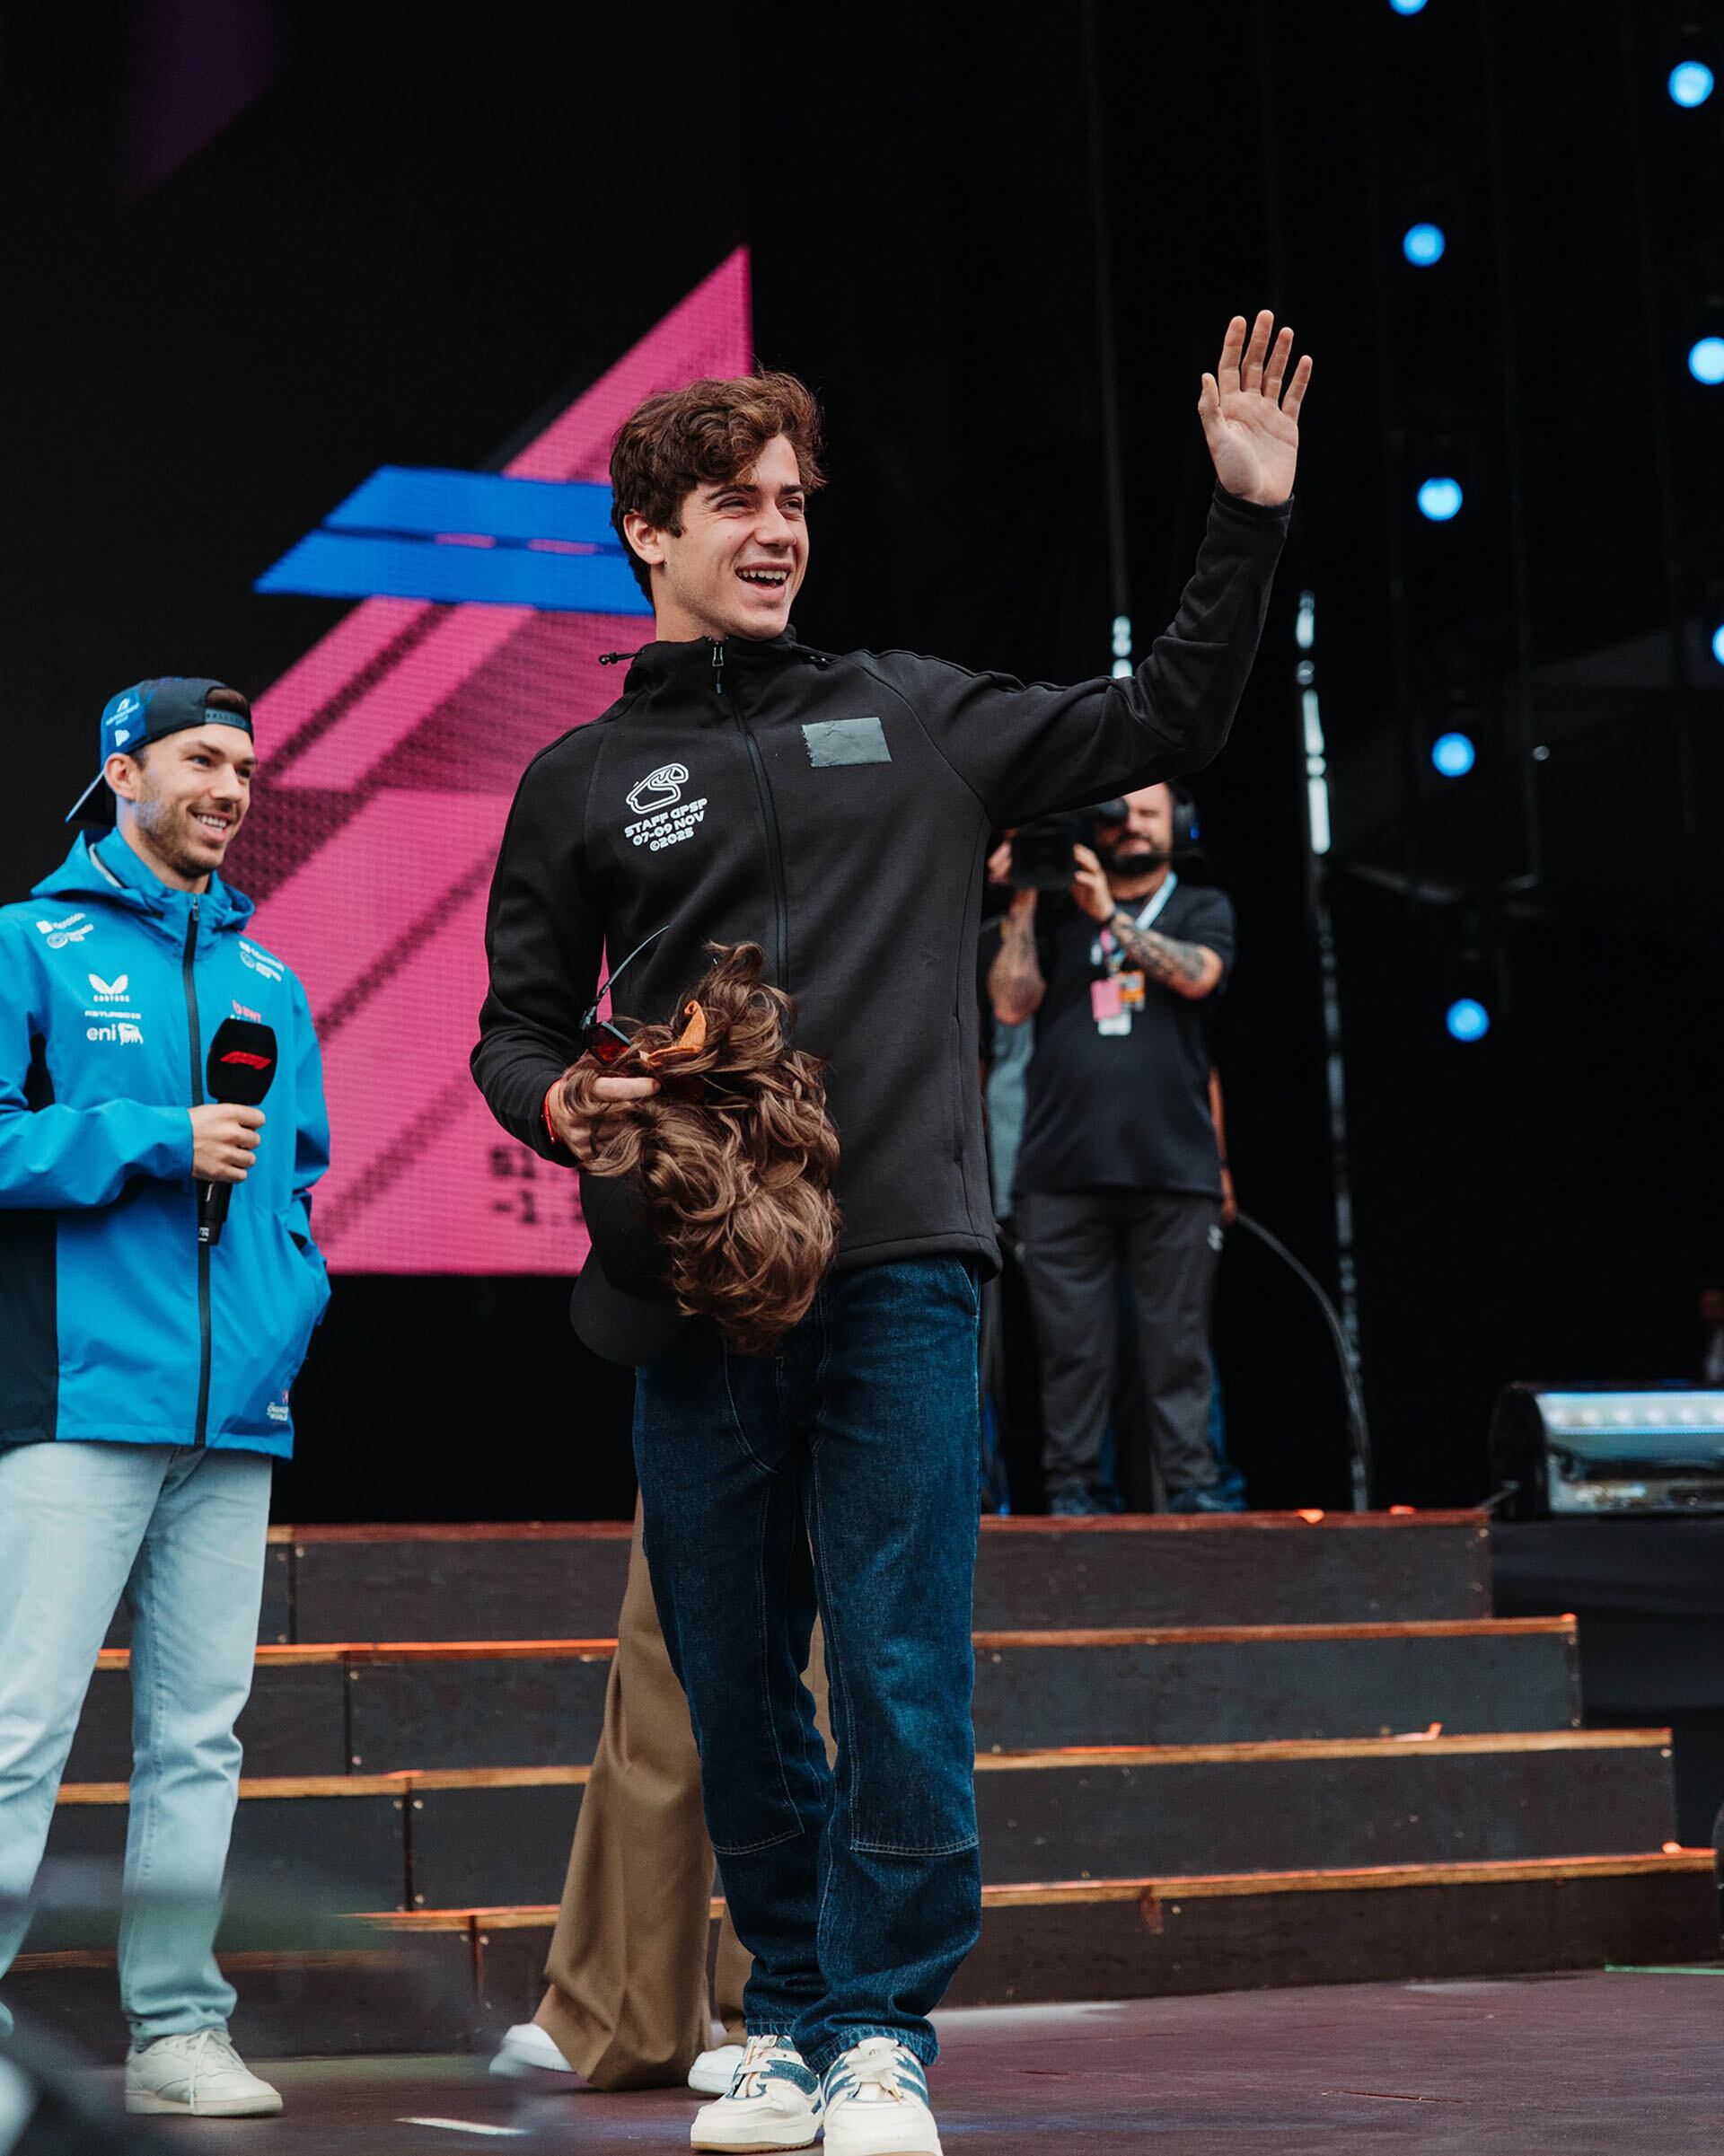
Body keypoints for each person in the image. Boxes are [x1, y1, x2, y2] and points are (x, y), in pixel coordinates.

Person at [473, 312, 1310, 2154]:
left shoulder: (923, 713)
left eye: (791, 501)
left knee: (903, 1660)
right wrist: (560, 1104)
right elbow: (517, 1025)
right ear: (646, 531)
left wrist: (1243, 522)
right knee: (730, 1667)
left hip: (909, 1267)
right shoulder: (580, 781)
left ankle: (881, 2034)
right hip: (693, 1281)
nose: (774, 528)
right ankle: (781, 2012)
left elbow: (1161, 716)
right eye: (731, 501)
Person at [0, 679, 331, 2119]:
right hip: (77, 1398)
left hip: (232, 1416)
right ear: (121, 771)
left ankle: (179, 2028)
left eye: (248, 767)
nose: (233, 787)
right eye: (204, 760)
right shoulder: (31, 942)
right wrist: (149, 1137)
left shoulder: (275, 983)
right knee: (19, 1722)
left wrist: (286, 1315)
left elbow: (300, 1181)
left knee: (201, 1733)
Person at [989, 783, 1236, 1515]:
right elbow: (1008, 1003)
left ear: (1179, 825)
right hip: (1060, 1171)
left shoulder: (1202, 905)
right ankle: (1073, 1494)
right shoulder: (1056, 912)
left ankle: (1192, 1491)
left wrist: (1110, 915)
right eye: (1121, 814)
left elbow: (1199, 975)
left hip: (1174, 1167)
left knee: (1178, 1347)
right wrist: (1029, 897)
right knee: (1073, 1354)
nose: (1132, 828)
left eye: (1150, 814)